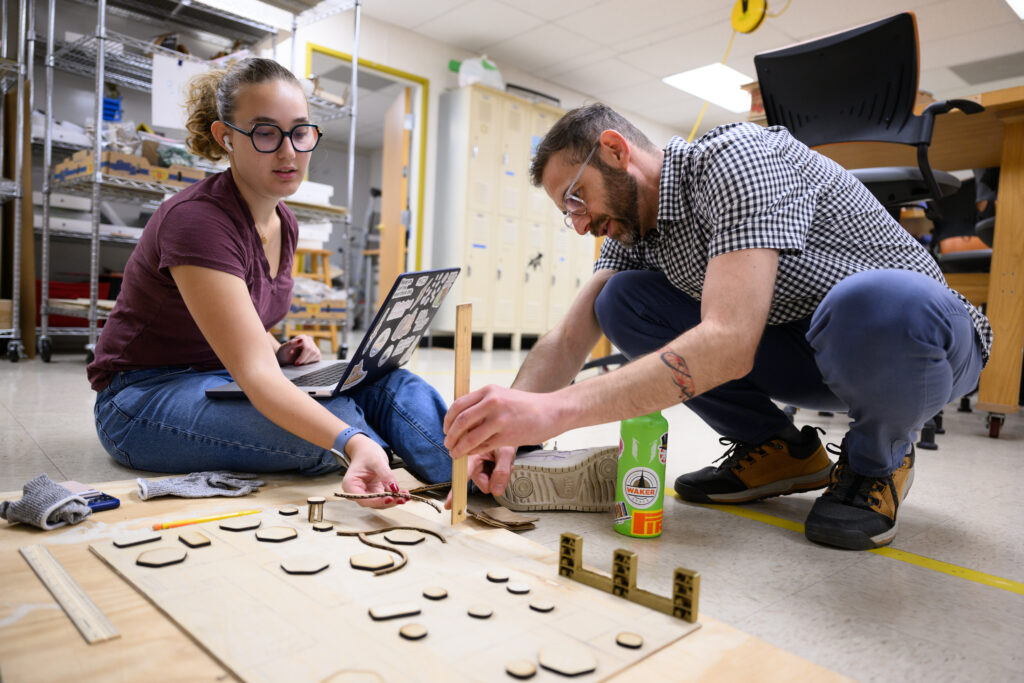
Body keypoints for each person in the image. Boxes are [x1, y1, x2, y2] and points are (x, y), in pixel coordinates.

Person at [443, 103, 991, 550]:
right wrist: (510, 429)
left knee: (873, 300)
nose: (580, 223)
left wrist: (553, 411)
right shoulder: (635, 229)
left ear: (615, 149)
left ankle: (879, 461)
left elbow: (728, 344)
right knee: (620, 300)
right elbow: (569, 337)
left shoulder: (737, 160)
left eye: (576, 198)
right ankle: (780, 451)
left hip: (919, 345)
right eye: (569, 213)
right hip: (808, 353)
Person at [87, 58, 451, 507]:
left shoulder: (285, 220)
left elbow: (239, 327)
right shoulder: (197, 221)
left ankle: (480, 469)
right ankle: (390, 451)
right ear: (227, 138)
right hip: (143, 399)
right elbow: (257, 378)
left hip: (221, 376)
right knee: (337, 421)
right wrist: (350, 442)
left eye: (300, 131)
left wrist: (275, 347)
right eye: (264, 133)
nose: (289, 152)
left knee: (393, 383)